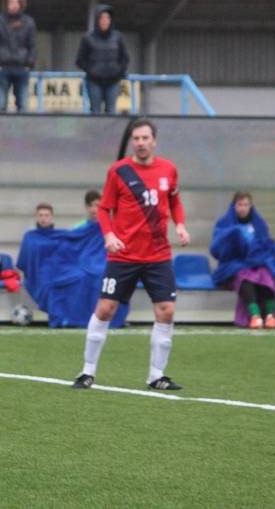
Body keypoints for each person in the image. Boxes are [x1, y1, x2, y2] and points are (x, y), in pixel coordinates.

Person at [72, 119, 190, 391]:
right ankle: (87, 371)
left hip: (158, 254)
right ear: (132, 142)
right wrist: (109, 236)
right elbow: (104, 209)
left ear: (154, 140)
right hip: (123, 255)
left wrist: (180, 225)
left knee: (166, 311)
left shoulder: (169, 169)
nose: (140, 143)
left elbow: (174, 200)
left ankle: (156, 375)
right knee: (105, 309)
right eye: (136, 138)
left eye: (145, 138)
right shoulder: (119, 171)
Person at [17, 200, 130, 329]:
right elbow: (25, 261)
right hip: (44, 272)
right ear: (36, 216)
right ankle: (63, 318)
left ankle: (93, 318)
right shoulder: (30, 236)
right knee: (56, 283)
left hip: (72, 266)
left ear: (51, 216)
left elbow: (70, 250)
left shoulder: (60, 235)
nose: (43, 218)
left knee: (86, 277)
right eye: (41, 215)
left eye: (46, 215)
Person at [210, 191, 275, 329]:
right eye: (240, 205)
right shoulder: (224, 223)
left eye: (246, 204)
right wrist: (234, 235)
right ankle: (255, 317)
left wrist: (261, 255)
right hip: (233, 265)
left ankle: (270, 316)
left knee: (267, 274)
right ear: (234, 206)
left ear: (251, 206)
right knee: (245, 276)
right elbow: (216, 249)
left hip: (257, 263)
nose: (243, 208)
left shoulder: (259, 222)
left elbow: (265, 244)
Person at [0, 0, 36, 112]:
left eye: (16, 2)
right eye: (11, 2)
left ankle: (23, 131)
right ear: (6, 3)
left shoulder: (28, 22)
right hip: (2, 69)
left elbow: (32, 45)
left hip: (22, 68)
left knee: (23, 106)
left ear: (21, 3)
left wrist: (29, 64)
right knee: (1, 105)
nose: (13, 5)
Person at [76, 4, 130, 114]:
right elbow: (80, 60)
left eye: (107, 18)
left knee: (111, 112)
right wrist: (91, 70)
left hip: (113, 81)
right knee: (95, 112)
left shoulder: (118, 37)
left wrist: (119, 71)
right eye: (102, 18)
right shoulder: (87, 38)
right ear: (97, 20)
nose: (105, 21)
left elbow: (125, 57)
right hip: (94, 81)